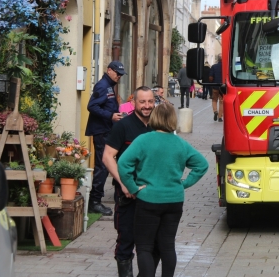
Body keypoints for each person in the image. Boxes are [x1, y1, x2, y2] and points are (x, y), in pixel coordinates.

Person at [118, 102, 208, 277]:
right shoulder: (180, 143)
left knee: (144, 247)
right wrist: (184, 184)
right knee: (167, 245)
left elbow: (123, 164)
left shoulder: (143, 140)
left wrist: (133, 188)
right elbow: (202, 165)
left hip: (148, 199)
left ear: (154, 118)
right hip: (174, 200)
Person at [102, 86, 156, 277]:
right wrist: (124, 183)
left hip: (151, 195)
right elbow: (108, 157)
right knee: (126, 239)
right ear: (133, 103)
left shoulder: (158, 125)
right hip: (127, 194)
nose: (147, 106)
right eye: (142, 102)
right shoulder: (123, 126)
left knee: (151, 242)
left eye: (150, 101)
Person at [85, 60, 127, 216]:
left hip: (106, 129)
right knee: (102, 165)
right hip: (101, 131)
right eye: (117, 73)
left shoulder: (109, 85)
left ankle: (103, 197)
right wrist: (110, 116)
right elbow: (92, 106)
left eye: (121, 74)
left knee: (106, 164)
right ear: (109, 70)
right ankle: (95, 202)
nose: (119, 77)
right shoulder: (103, 85)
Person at [209, 54, 223, 122]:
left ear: (218, 59)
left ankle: (215, 111)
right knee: (221, 102)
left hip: (215, 86)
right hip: (223, 87)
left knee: (214, 100)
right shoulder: (226, 67)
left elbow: (211, 78)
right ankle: (220, 117)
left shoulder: (214, 66)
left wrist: (211, 81)